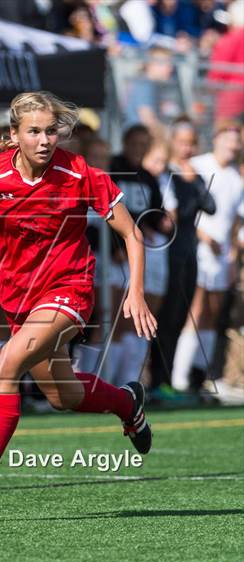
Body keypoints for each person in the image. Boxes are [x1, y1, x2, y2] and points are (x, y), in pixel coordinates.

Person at [0, 91, 157, 512]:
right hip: (17, 297)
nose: (45, 140)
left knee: (4, 366)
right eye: (34, 131)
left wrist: (135, 291)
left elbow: (132, 234)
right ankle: (127, 403)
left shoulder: (79, 173)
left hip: (69, 289)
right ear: (15, 134)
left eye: (51, 131)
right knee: (64, 396)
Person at [172, 120, 242, 391]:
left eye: (236, 140)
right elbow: (190, 210)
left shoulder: (236, 178)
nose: (233, 145)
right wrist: (205, 238)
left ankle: (203, 376)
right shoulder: (200, 165)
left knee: (213, 313)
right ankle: (179, 377)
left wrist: (233, 255)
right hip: (198, 250)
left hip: (222, 255)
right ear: (217, 139)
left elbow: (235, 220)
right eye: (228, 138)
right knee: (196, 310)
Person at [149, 120, 216, 399]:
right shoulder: (165, 173)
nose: (187, 148)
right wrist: (186, 183)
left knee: (179, 318)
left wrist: (194, 181)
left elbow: (210, 206)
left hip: (189, 254)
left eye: (192, 143)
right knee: (165, 318)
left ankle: (168, 380)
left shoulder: (193, 175)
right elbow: (174, 213)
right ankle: (156, 380)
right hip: (168, 255)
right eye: (182, 142)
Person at [107, 125, 167, 386]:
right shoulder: (112, 167)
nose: (139, 148)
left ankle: (131, 383)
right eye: (135, 142)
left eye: (144, 143)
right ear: (125, 141)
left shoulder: (148, 178)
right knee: (115, 319)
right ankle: (107, 383)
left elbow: (155, 217)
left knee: (142, 319)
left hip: (140, 251)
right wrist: (115, 248)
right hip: (114, 254)